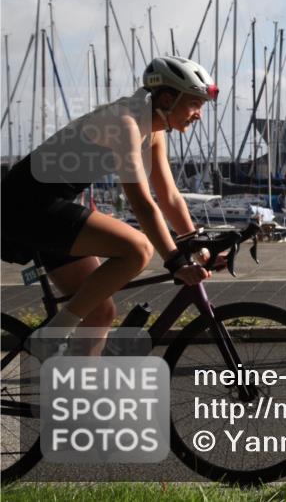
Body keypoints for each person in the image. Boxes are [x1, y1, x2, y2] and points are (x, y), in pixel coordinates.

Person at [1, 56, 219, 355]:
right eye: (195, 104)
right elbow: (142, 203)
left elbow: (169, 196)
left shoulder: (152, 131)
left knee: (99, 313)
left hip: (50, 207)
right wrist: (175, 262)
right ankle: (51, 336)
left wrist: (195, 243)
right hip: (24, 207)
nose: (199, 115)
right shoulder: (124, 123)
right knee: (137, 249)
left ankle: (80, 385)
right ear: (168, 99)